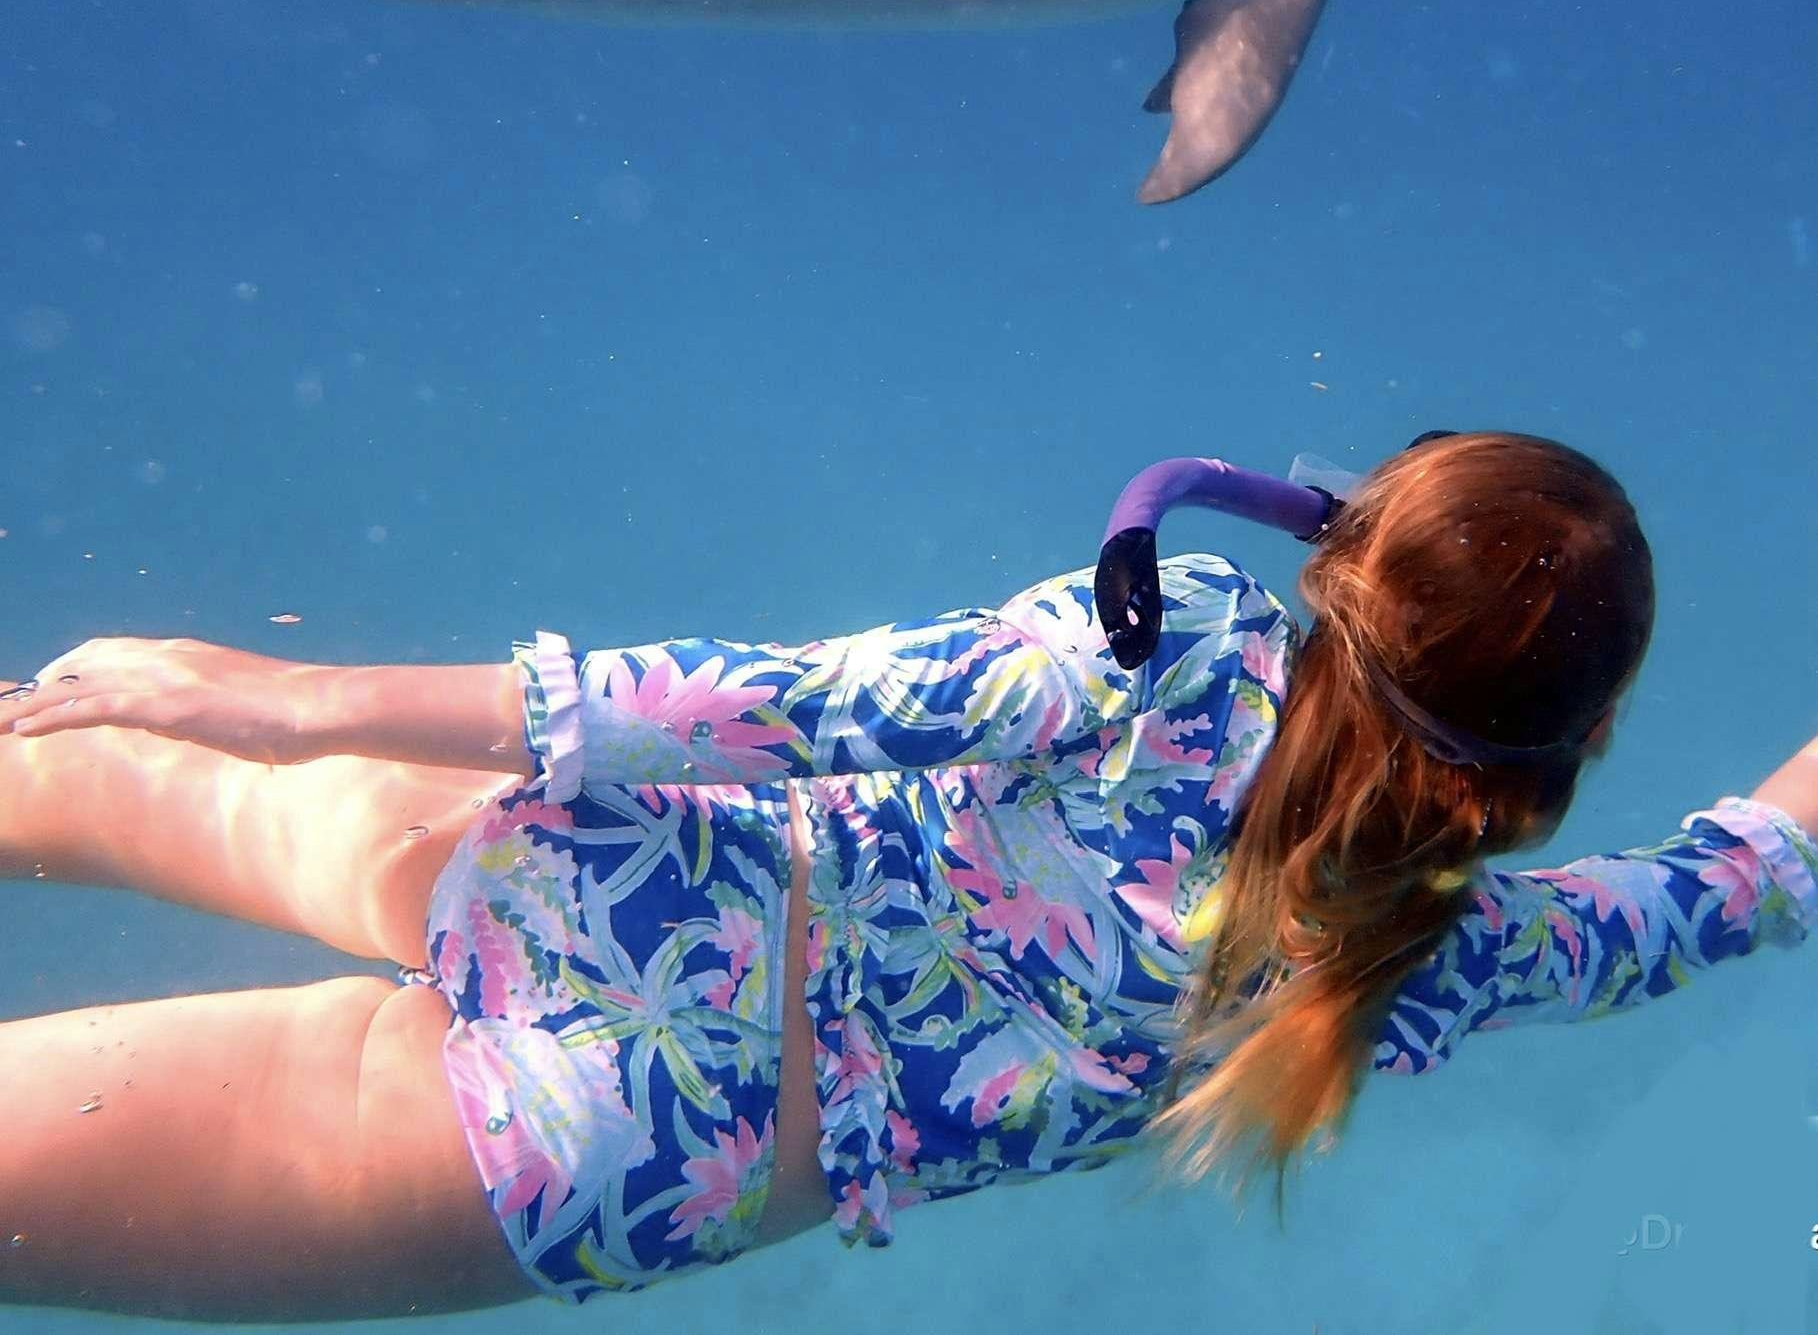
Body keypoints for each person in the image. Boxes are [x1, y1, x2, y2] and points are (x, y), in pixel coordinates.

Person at [0, 429, 1813, 1321]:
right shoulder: (1439, 955)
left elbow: (785, 707)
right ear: (1558, 756)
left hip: (629, 872)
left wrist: (294, 698)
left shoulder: (1166, 632)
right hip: (606, 1135)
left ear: (1341, 537)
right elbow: (1744, 877)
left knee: (72, 757)